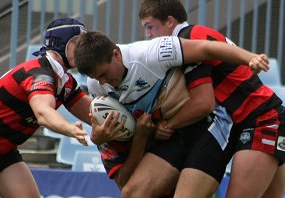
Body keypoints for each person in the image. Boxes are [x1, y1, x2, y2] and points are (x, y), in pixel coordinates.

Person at [73, 31, 270, 197]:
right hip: (172, 133)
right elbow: (121, 174)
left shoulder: (151, 53)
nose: (102, 82)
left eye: (103, 74)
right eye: (95, 78)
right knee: (133, 194)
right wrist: (98, 137)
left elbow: (207, 48)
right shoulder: (97, 86)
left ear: (116, 55)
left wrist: (249, 57)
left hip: (208, 125)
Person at [138, 0, 285, 197]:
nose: (148, 35)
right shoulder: (193, 34)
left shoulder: (186, 41)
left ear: (170, 21)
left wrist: (168, 124)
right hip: (259, 118)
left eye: (150, 26)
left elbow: (202, 103)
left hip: (262, 119)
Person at [0, 17, 120, 198]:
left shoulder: (64, 81)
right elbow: (43, 112)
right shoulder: (40, 74)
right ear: (61, 45)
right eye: (77, 44)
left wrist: (139, 126)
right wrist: (70, 128)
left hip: (2, 153)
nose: (84, 50)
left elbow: (95, 114)